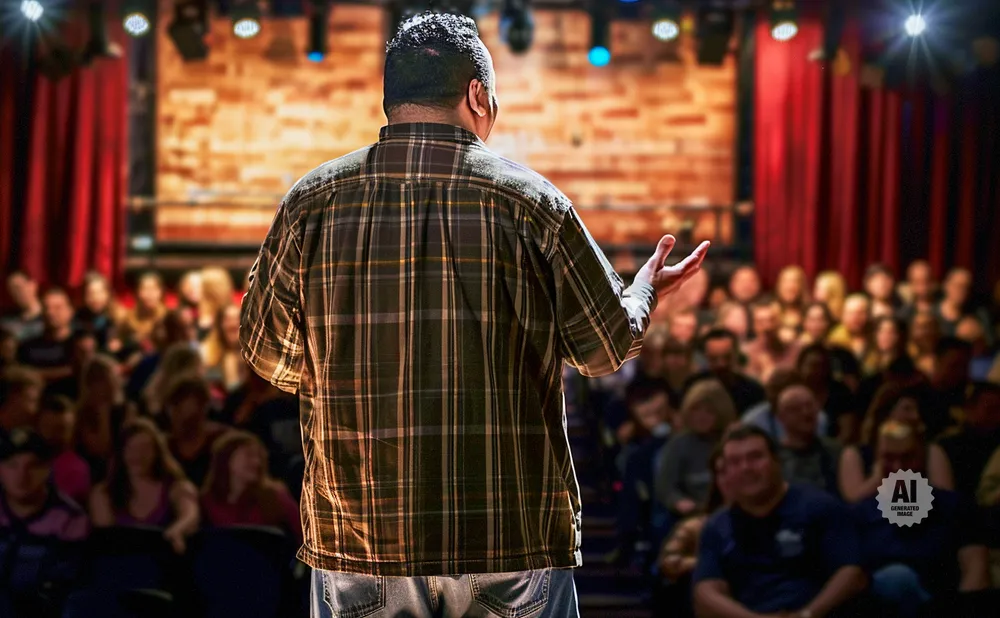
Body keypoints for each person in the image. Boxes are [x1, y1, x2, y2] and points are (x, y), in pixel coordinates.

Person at [238, 12, 710, 618]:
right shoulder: (532, 202)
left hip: (359, 532)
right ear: (477, 94)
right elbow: (602, 349)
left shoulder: (310, 203)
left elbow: (268, 354)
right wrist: (642, 289)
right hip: (508, 535)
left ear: (392, 99)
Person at [692, 425, 867, 618]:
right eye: (734, 462)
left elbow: (852, 573)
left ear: (777, 461)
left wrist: (806, 615)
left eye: (755, 457)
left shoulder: (819, 506)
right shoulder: (716, 526)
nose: (746, 468)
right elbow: (705, 593)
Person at [854, 421, 992, 617]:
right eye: (888, 458)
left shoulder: (956, 507)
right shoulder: (860, 515)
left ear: (923, 456)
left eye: (907, 458)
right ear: (876, 459)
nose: (898, 468)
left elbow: (976, 571)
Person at [0, 428, 89, 618]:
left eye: (32, 466)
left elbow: (65, 586)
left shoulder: (70, 518)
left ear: (47, 469)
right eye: (12, 465)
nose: (21, 475)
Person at [89, 418, 199, 554]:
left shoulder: (177, 487)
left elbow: (190, 515)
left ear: (157, 452)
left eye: (145, 448)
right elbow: (107, 539)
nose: (138, 455)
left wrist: (177, 531)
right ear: (121, 453)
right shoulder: (103, 493)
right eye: (131, 448)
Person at [200, 429, 302, 542]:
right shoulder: (207, 502)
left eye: (259, 456)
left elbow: (303, 536)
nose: (257, 462)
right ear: (227, 459)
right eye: (249, 455)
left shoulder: (275, 497)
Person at [655, 379, 735, 518]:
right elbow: (666, 487)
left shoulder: (732, 441)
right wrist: (680, 502)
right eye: (695, 410)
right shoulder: (678, 445)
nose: (701, 416)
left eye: (709, 411)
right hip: (691, 514)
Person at [775, 385, 841, 494]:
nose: (806, 413)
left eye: (809, 406)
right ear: (781, 417)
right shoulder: (773, 458)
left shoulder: (836, 451)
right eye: (796, 409)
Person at [686, 329, 766, 414]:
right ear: (706, 357)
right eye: (714, 359)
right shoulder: (693, 386)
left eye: (727, 357)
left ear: (736, 355)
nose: (721, 364)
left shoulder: (753, 391)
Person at [34, 395, 91, 506]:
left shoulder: (76, 469)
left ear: (73, 431)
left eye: (60, 429)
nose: (50, 435)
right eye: (46, 427)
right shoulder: (21, 461)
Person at [17, 288, 76, 383]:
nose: (50, 313)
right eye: (46, 308)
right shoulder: (26, 347)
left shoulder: (79, 344)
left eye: (57, 308)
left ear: (70, 311)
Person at [0, 271, 44, 342]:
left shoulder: (49, 317)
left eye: (19, 287)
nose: (17, 293)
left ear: (33, 285)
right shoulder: (6, 322)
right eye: (12, 289)